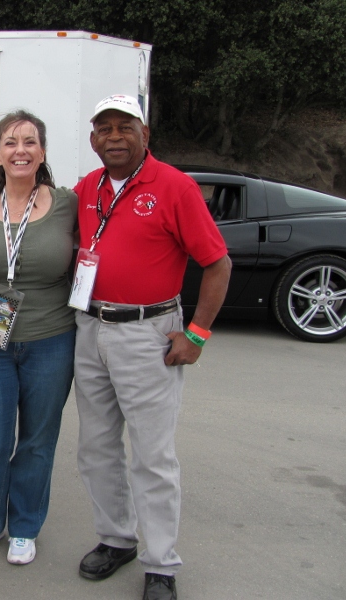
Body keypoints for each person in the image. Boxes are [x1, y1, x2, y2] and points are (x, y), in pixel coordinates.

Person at [72, 95, 231, 600]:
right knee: (97, 447)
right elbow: (34, 208)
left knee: (152, 455)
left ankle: (161, 564)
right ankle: (116, 539)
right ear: (93, 139)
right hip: (90, 328)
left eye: (125, 127)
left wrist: (197, 334)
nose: (114, 136)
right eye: (104, 129)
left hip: (148, 334)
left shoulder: (174, 186)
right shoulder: (87, 187)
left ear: (145, 135)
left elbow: (218, 263)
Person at [0, 110, 77, 566]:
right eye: (10, 142)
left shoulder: (68, 204)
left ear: (42, 152)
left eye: (29, 142)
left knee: (38, 441)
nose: (20, 150)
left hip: (52, 340)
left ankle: (24, 527)